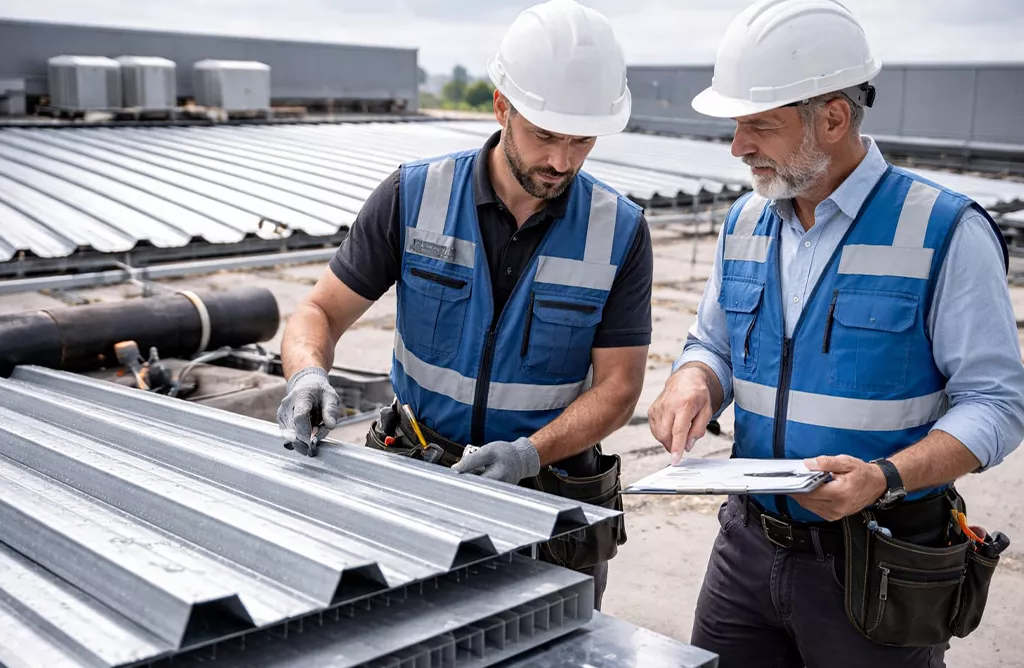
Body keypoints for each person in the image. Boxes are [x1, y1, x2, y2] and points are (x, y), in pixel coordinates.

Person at [648, 0, 1024, 665]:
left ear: (832, 117)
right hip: (746, 548)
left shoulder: (944, 231)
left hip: (880, 560)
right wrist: (693, 379)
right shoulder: (744, 222)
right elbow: (713, 345)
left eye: (758, 125)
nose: (737, 148)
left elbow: (996, 404)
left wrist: (885, 475)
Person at [275, 0, 653, 610]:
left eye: (583, 139)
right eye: (546, 135)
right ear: (502, 106)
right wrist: (307, 373)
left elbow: (619, 387)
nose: (562, 161)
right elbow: (317, 312)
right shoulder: (413, 196)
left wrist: (529, 453)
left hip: (549, 503)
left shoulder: (621, 231)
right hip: (415, 479)